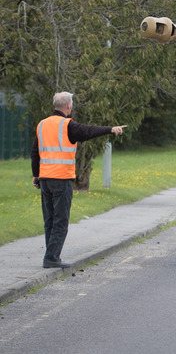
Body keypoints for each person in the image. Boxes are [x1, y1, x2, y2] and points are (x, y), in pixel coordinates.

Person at [31, 92, 126, 269]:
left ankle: (50, 255)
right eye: (72, 104)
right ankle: (51, 258)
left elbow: (35, 152)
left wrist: (36, 175)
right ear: (68, 106)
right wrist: (110, 129)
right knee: (60, 220)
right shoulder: (67, 125)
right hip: (61, 179)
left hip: (45, 179)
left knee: (50, 220)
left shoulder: (42, 124)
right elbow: (88, 131)